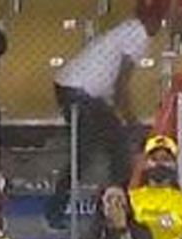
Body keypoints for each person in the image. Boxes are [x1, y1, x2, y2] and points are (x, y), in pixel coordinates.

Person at [53, 7, 154, 186]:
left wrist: (127, 119)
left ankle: (114, 192)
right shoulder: (138, 34)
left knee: (109, 143)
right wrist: (133, 122)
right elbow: (121, 86)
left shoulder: (130, 28)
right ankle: (113, 192)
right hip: (79, 90)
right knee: (99, 146)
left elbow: (116, 88)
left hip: (76, 87)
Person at [128, 135, 182, 239]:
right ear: (145, 164)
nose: (159, 164)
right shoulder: (132, 198)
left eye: (166, 159)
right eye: (154, 159)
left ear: (175, 165)